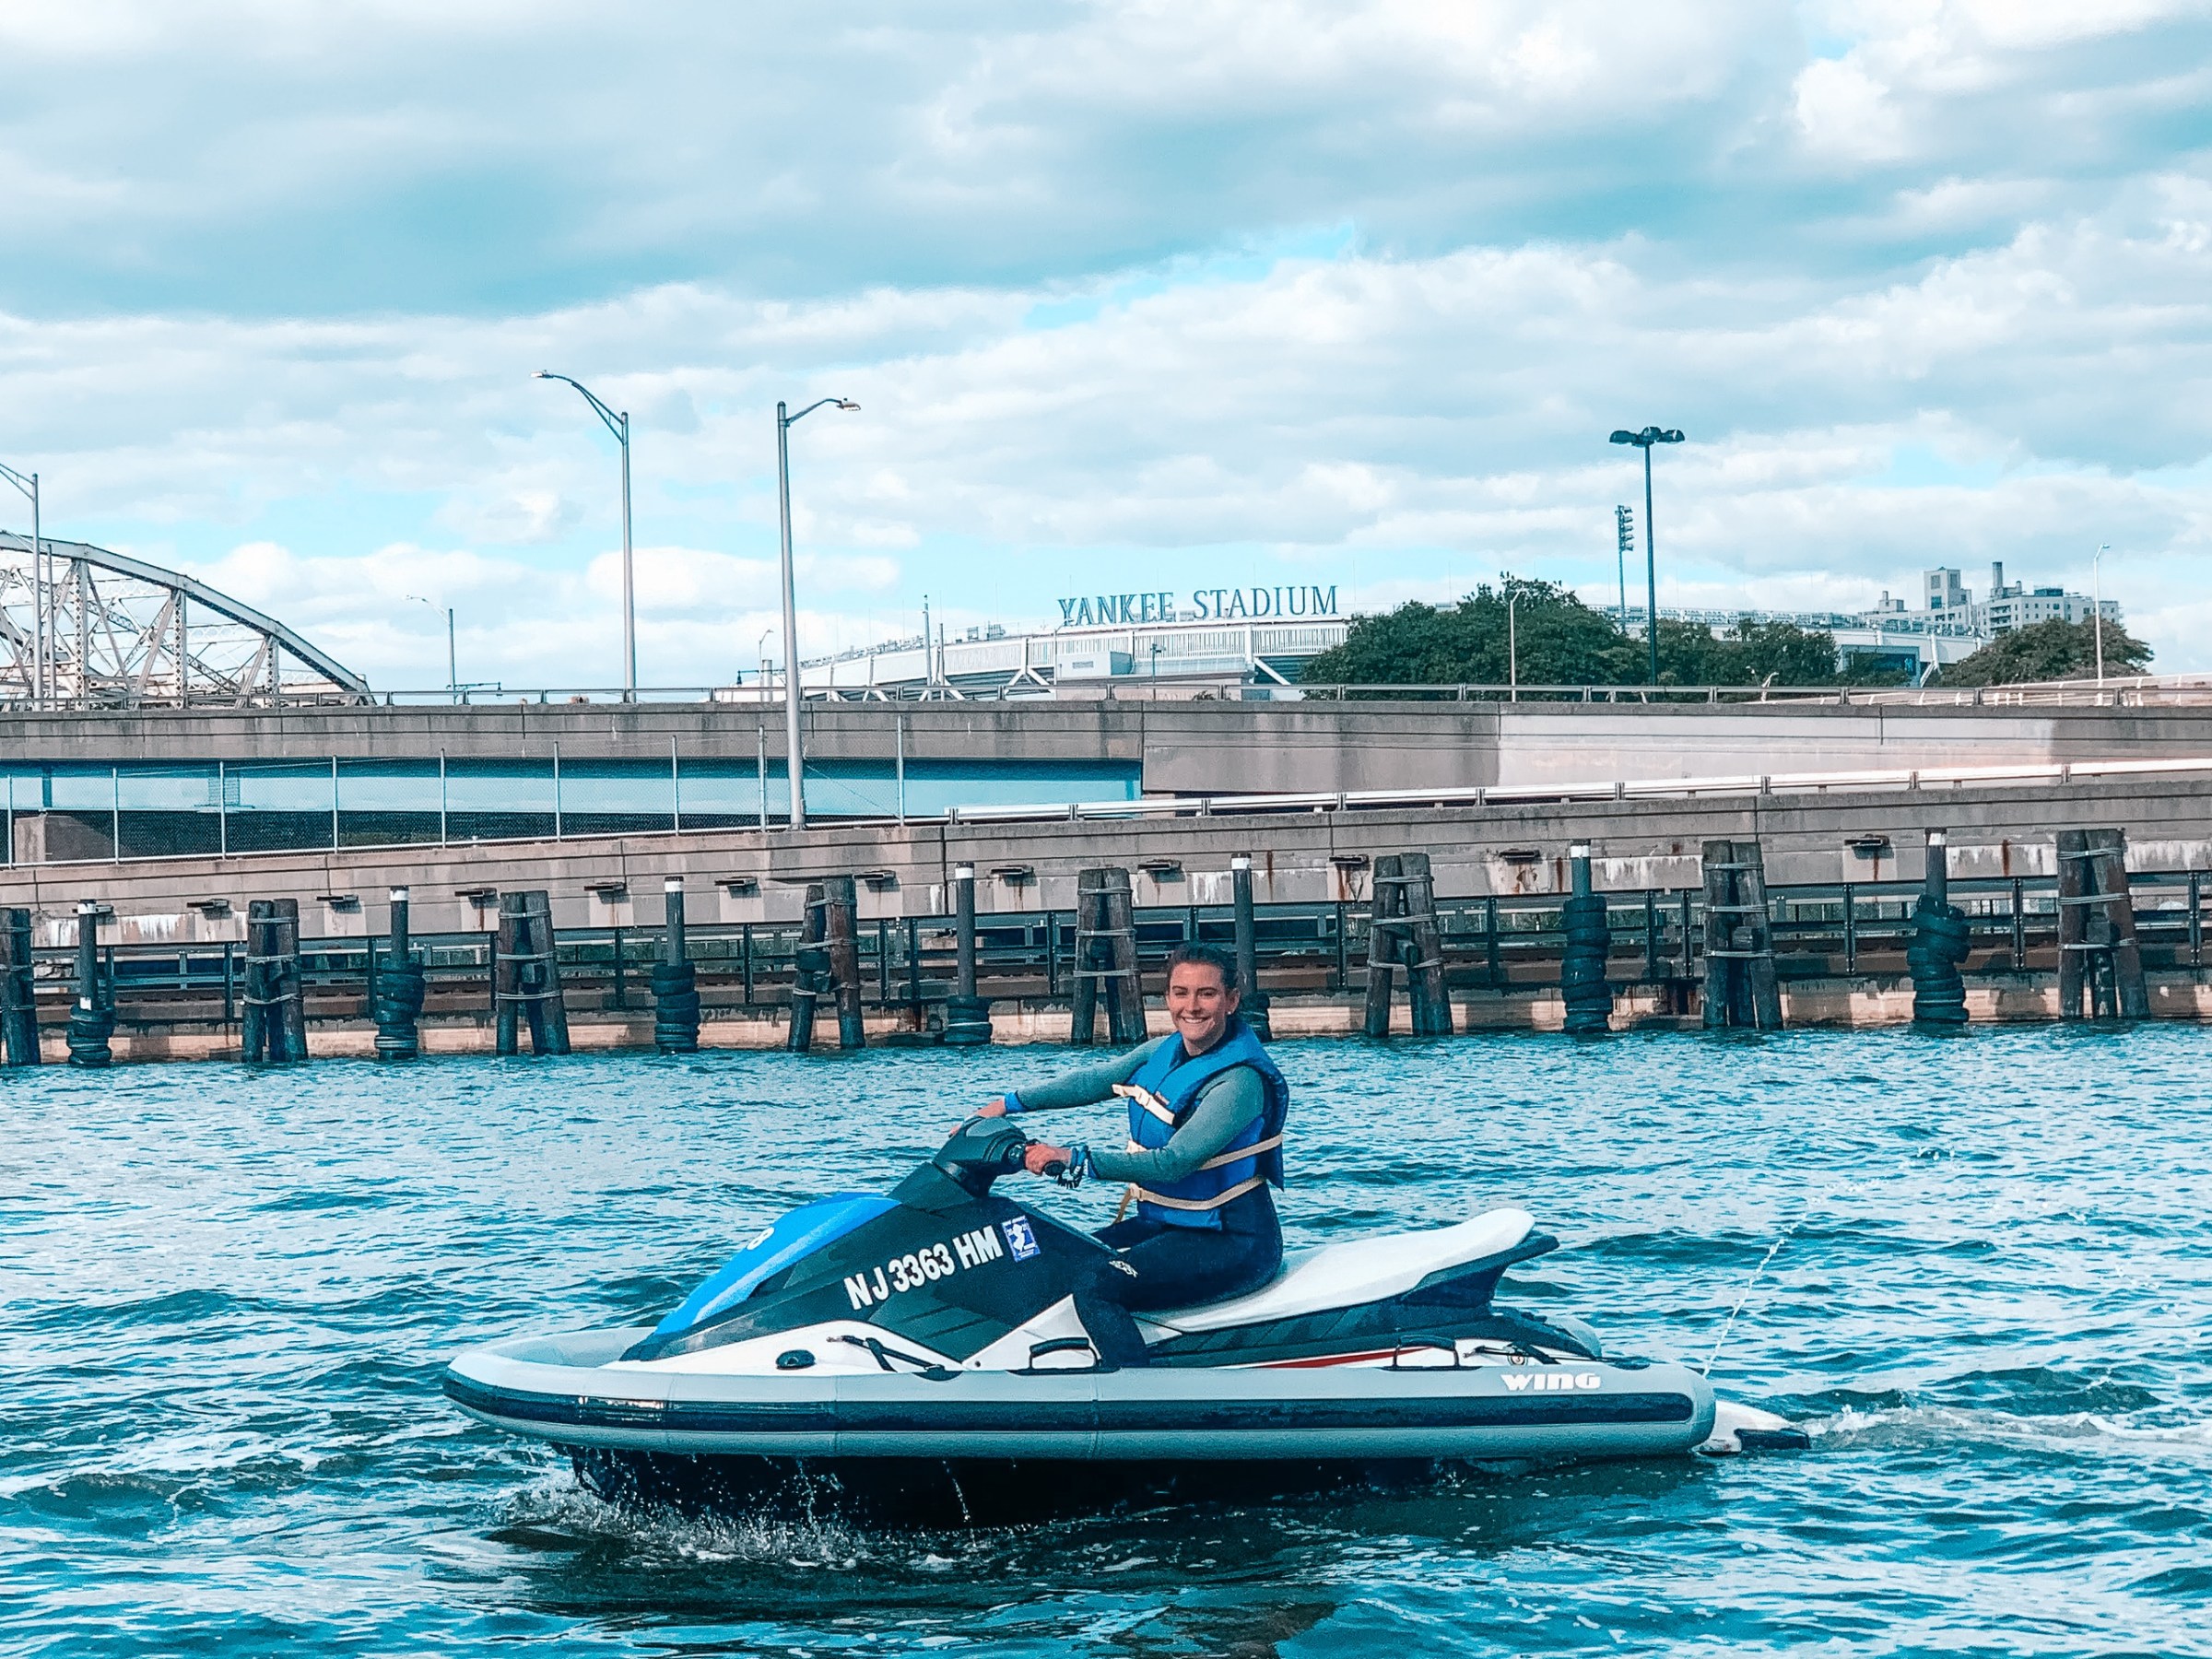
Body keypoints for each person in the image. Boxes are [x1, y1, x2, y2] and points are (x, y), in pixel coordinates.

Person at [976, 942, 1288, 1367]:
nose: (1192, 1007)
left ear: (1232, 1001)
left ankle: (1134, 1400)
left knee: (1097, 1285)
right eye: (1181, 993)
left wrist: (1073, 1157)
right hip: (1166, 1224)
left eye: (1207, 994)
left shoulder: (1239, 1082)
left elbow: (1174, 1163)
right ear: (1167, 999)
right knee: (1055, 1257)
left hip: (1233, 1241)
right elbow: (1093, 1081)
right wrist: (1007, 1104)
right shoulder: (1164, 1051)